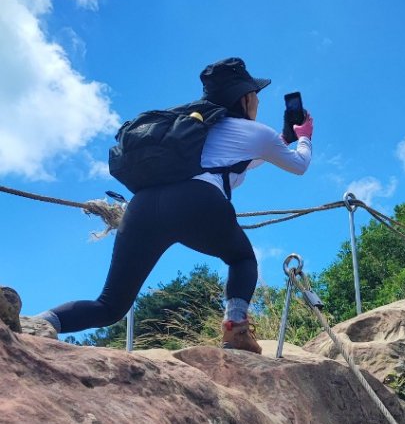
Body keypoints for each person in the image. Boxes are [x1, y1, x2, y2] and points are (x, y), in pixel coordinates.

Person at [35, 57, 313, 354]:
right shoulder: (256, 133)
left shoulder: (192, 127)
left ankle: (39, 323)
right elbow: (298, 165)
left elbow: (246, 161)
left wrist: (285, 136)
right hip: (198, 202)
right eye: (255, 94)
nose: (258, 100)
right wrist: (304, 137)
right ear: (245, 97)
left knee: (110, 305)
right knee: (242, 260)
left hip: (143, 207)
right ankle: (235, 330)